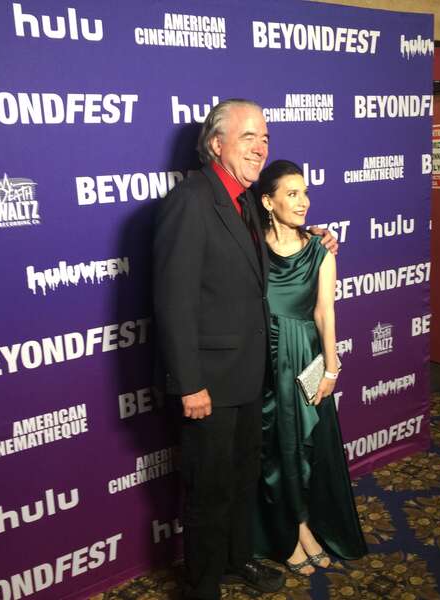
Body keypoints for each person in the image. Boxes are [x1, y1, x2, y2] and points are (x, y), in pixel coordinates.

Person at [153, 100, 336, 600]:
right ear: (216, 144)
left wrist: (316, 237)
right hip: (208, 383)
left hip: (250, 376)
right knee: (208, 490)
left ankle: (236, 561)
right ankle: (203, 585)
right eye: (248, 137)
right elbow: (174, 303)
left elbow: (274, 248)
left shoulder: (249, 201)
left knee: (240, 481)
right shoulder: (191, 201)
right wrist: (189, 384)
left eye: (266, 139)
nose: (261, 147)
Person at [253, 160, 367, 575]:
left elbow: (325, 314)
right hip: (261, 359)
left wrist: (332, 370)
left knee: (303, 448)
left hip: (305, 359)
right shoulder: (251, 248)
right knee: (271, 451)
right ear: (268, 201)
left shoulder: (321, 250)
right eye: (292, 193)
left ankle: (305, 526)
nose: (304, 202)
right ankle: (291, 534)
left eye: (305, 192)